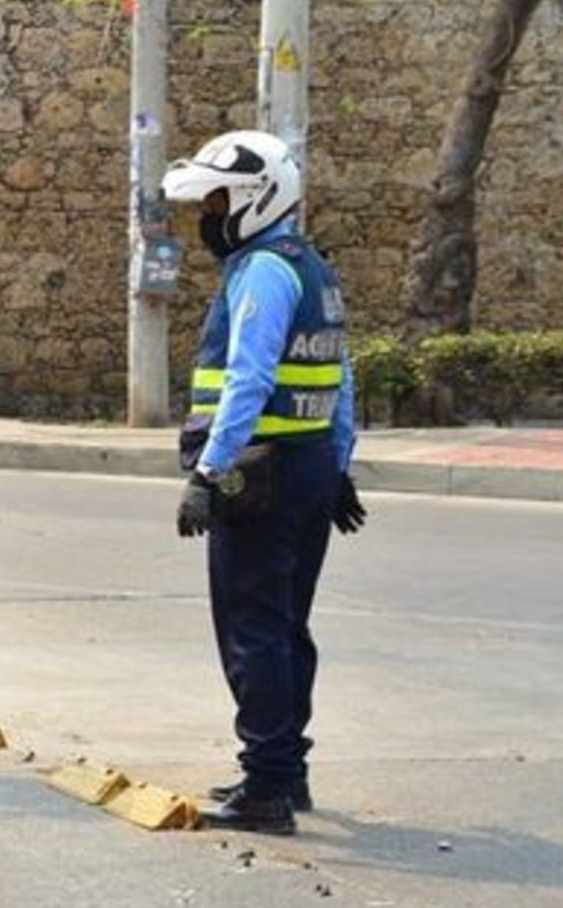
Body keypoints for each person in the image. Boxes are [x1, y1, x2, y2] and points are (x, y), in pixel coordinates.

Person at [163, 129, 366, 835]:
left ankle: (267, 786)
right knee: (285, 626)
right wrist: (339, 468)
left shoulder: (261, 273)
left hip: (261, 472)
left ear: (254, 200)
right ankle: (286, 768)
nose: (206, 217)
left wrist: (208, 474)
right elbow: (342, 380)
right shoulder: (313, 269)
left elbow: (247, 381)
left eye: (216, 201)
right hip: (306, 468)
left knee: (252, 630)